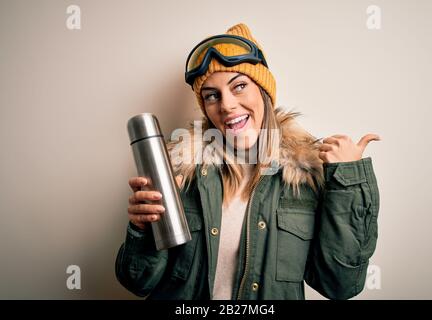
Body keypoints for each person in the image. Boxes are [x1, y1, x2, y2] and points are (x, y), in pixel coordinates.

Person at [115, 23, 380, 300]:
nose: (227, 105)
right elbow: (138, 282)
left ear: (264, 91)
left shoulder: (309, 177)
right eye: (212, 96)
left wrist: (349, 182)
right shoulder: (179, 176)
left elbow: (340, 285)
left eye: (239, 86)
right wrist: (141, 229)